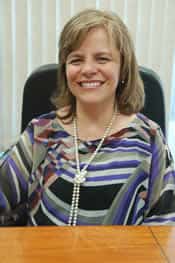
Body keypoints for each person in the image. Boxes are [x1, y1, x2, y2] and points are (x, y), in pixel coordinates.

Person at [0, 9, 175, 226]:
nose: (88, 69)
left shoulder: (149, 138)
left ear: (123, 68)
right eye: (76, 60)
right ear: (65, 69)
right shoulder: (41, 133)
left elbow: (165, 225)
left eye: (102, 59)